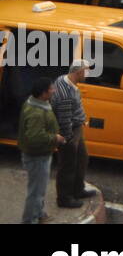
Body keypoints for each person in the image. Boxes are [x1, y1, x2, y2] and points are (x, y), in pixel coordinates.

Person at [18, 77, 63, 224]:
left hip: (41, 155)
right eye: (51, 89)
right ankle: (30, 219)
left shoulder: (38, 103)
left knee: (40, 188)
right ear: (44, 93)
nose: (54, 90)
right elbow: (34, 137)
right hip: (37, 157)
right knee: (36, 191)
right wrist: (54, 138)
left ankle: (39, 213)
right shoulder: (36, 113)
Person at [51, 60, 91, 209]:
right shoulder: (65, 94)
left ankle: (78, 189)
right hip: (69, 131)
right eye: (86, 71)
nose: (87, 75)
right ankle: (64, 198)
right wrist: (68, 141)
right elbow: (64, 120)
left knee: (82, 158)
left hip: (76, 127)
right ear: (78, 72)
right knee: (68, 164)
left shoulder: (64, 79)